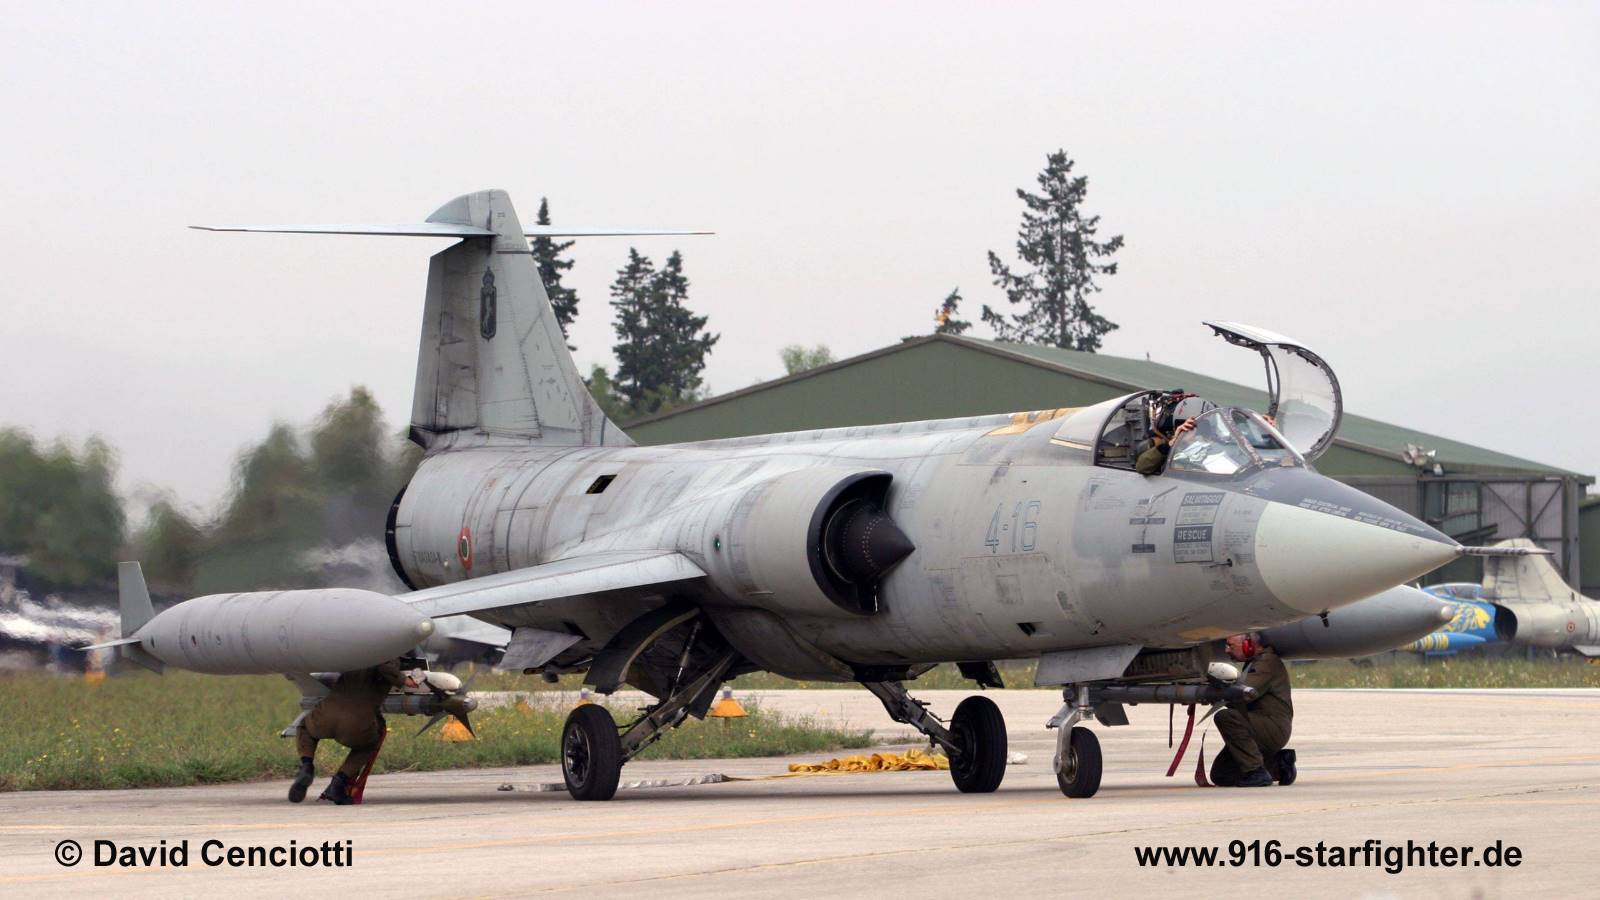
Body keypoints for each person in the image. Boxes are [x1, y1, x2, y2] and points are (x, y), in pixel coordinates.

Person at [289, 660, 408, 804]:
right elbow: (385, 666)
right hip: (356, 724)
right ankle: (338, 784)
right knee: (369, 745)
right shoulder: (387, 654)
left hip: (327, 715)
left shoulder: (354, 653)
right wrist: (405, 680)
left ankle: (306, 766)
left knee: (305, 728)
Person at [1210, 632, 1297, 787]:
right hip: (1259, 724)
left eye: (1231, 645)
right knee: (1221, 775)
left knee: (1226, 717)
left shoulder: (1266, 663)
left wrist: (1209, 691)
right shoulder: (1255, 662)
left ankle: (1256, 772)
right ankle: (1278, 764)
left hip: (1272, 726)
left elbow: (1242, 695)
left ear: (1248, 645)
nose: (1227, 650)